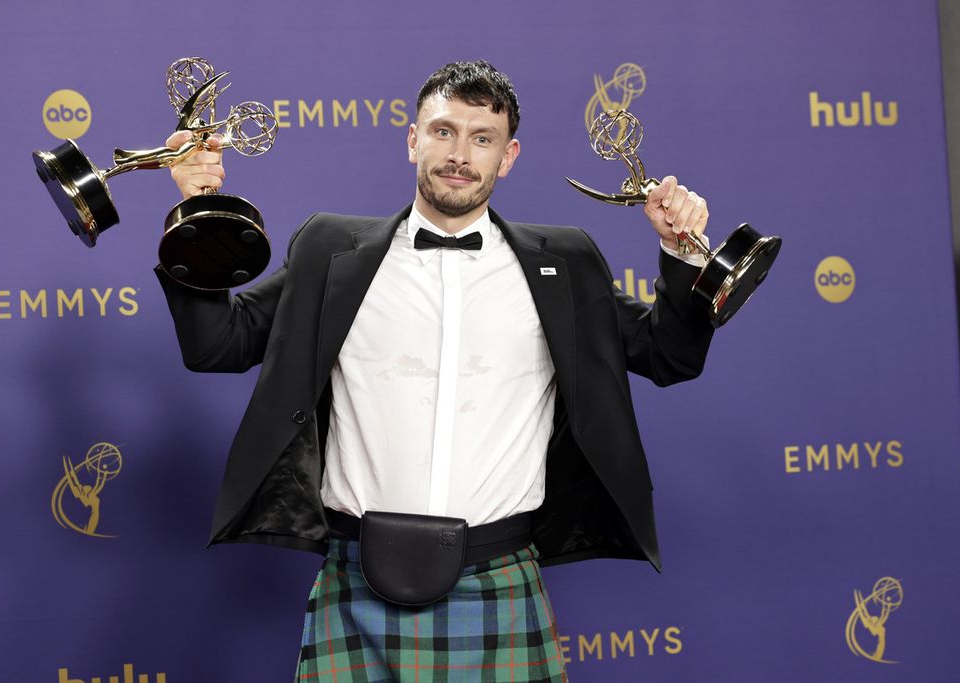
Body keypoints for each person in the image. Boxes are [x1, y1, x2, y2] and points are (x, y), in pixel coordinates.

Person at [159, 61, 715, 683]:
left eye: (482, 138)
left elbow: (669, 356)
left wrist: (679, 253)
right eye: (443, 131)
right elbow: (218, 345)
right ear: (412, 140)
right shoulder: (330, 252)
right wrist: (200, 210)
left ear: (508, 157)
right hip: (356, 580)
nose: (460, 154)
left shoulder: (566, 264)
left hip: (500, 578)